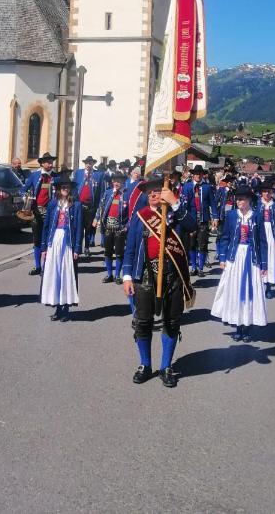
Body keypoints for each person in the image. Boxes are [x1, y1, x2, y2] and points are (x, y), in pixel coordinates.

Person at [122, 175, 196, 388]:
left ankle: (166, 366)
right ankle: (145, 365)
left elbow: (192, 226)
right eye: (150, 192)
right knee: (143, 322)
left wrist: (174, 203)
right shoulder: (141, 216)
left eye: (158, 191)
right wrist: (127, 276)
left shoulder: (176, 214)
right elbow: (130, 248)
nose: (154, 194)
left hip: (173, 276)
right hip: (145, 276)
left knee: (171, 323)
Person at [211, 185, 267, 341]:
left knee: (250, 292)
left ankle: (247, 327)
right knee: (235, 291)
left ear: (249, 200)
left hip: (251, 259)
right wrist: (222, 258)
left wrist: (264, 264)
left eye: (242, 199)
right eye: (238, 199)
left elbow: (262, 242)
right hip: (234, 258)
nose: (239, 201)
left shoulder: (256, 216)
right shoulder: (231, 216)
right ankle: (237, 326)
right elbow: (225, 238)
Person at [40, 173, 83, 322]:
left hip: (68, 244)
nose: (65, 189)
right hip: (54, 242)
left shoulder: (76, 205)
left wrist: (77, 249)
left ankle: (65, 309)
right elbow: (45, 226)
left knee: (66, 274)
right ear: (58, 189)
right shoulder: (53, 204)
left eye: (67, 187)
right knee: (55, 275)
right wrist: (44, 247)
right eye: (63, 187)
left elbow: (78, 228)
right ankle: (57, 307)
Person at [24, 152, 57, 275]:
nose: (50, 164)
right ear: (42, 163)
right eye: (48, 162)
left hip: (51, 212)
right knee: (37, 239)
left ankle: (46, 266)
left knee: (48, 239)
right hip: (37, 211)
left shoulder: (56, 177)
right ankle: (37, 266)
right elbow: (24, 189)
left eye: (51, 162)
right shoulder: (35, 175)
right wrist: (25, 197)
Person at [181, 164, 217, 277]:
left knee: (202, 244)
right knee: (191, 244)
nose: (198, 176)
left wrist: (215, 217)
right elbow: (183, 204)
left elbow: (213, 203)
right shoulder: (187, 186)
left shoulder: (207, 187)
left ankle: (201, 268)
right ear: (193, 175)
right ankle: (194, 268)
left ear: (202, 175)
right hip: (191, 220)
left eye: (200, 174)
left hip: (203, 219)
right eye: (196, 174)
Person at [97, 171, 129, 283]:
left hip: (120, 229)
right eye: (115, 181)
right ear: (112, 181)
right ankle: (109, 274)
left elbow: (131, 213)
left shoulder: (126, 194)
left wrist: (127, 226)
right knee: (108, 251)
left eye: (119, 181)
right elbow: (100, 207)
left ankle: (117, 276)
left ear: (123, 182)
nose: (116, 183)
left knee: (119, 252)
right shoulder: (107, 193)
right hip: (108, 227)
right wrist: (96, 219)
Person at [255, 180, 275, 299]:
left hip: (272, 234)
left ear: (272, 192)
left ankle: (269, 286)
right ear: (261, 193)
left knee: (271, 258)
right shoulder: (257, 204)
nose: (266, 194)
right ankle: (259, 284)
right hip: (260, 233)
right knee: (260, 257)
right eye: (264, 192)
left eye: (268, 191)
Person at [73, 155, 103, 256]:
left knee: (89, 228)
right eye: (87, 163)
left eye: (90, 163)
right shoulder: (79, 173)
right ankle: (78, 247)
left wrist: (99, 207)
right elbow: (73, 188)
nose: (88, 165)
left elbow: (100, 193)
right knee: (78, 227)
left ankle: (87, 247)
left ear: (93, 164)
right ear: (84, 164)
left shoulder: (98, 175)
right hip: (79, 205)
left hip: (91, 206)